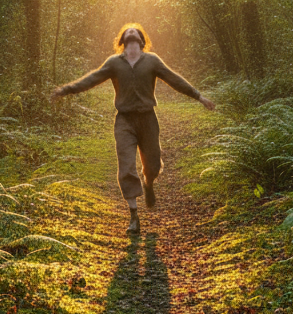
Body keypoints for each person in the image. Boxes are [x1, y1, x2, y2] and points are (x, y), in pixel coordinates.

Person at [50, 23, 215, 234]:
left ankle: (149, 183)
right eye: (127, 34)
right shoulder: (114, 63)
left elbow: (174, 79)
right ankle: (134, 216)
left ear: (141, 40)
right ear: (123, 41)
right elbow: (91, 79)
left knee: (153, 164)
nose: (131, 33)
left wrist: (199, 97)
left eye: (135, 33)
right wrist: (65, 90)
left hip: (148, 119)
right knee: (126, 165)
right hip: (124, 121)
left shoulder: (152, 60)